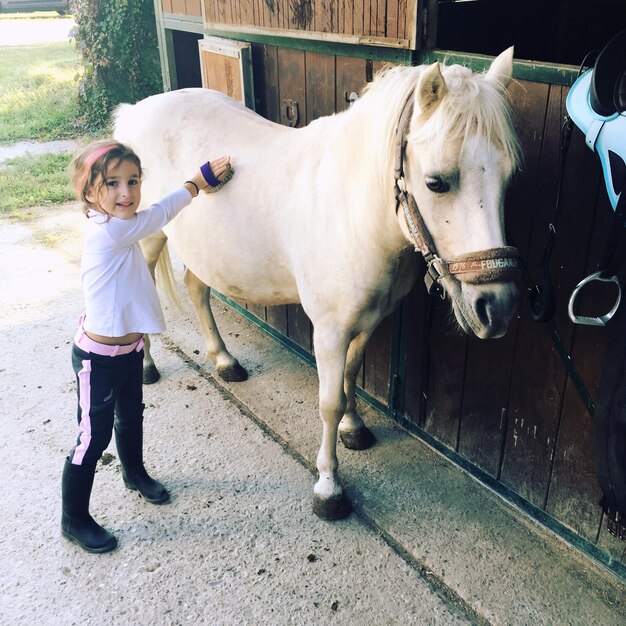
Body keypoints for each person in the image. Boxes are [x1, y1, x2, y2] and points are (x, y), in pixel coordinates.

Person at [62, 140, 233, 553]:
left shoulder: (119, 225)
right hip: (97, 360)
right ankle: (74, 518)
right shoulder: (111, 231)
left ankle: (134, 473)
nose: (127, 193)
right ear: (89, 193)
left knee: (131, 416)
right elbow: (160, 213)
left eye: (133, 181)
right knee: (92, 437)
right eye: (113, 184)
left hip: (128, 351)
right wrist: (198, 181)